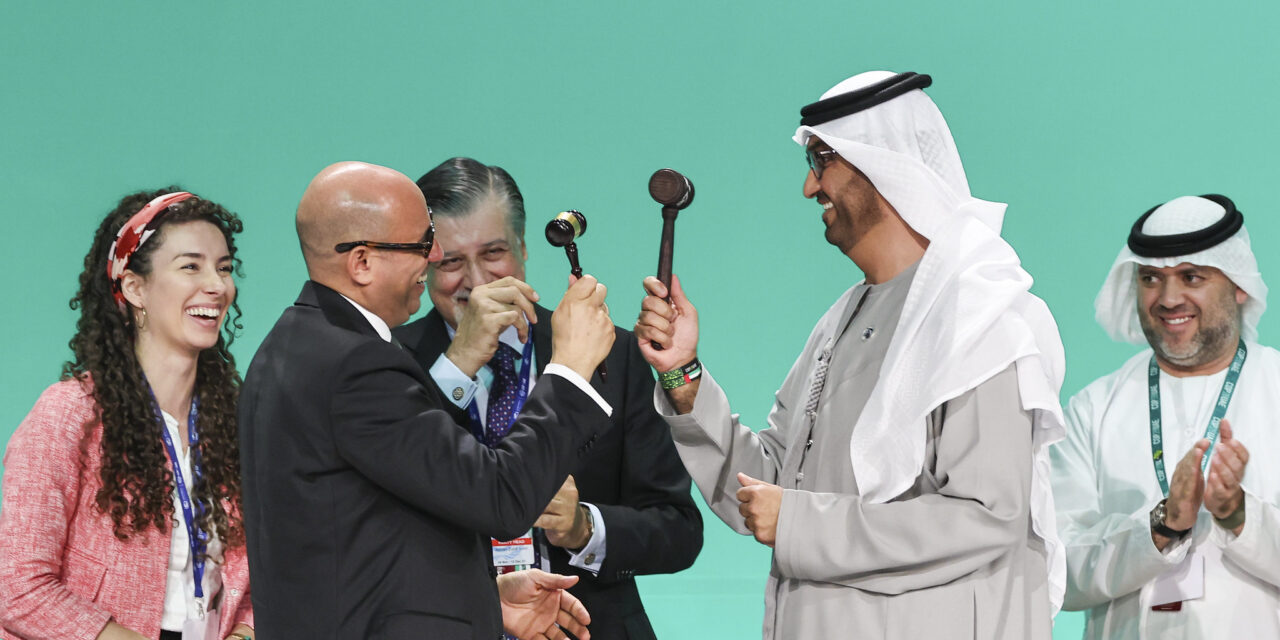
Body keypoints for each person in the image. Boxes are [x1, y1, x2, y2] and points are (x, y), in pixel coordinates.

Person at [634, 71, 1067, 639]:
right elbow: (772, 488)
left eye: (822, 161)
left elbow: (988, 516)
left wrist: (801, 524)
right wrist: (683, 378)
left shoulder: (978, 312)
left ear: (882, 164)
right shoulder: (840, 320)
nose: (810, 189)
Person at [238, 161, 617, 640]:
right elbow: (501, 498)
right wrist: (570, 368)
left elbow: (364, 537)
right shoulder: (354, 365)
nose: (435, 256)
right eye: (423, 243)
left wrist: (482, 598)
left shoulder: (294, 346)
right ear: (362, 262)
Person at [393, 157, 703, 639]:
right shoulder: (389, 362)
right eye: (450, 261)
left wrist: (585, 528)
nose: (476, 282)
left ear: (522, 248)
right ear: (422, 266)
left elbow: (679, 531)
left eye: (493, 252)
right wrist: (459, 361)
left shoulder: (612, 354)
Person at [0, 189, 254, 640]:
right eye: (191, 266)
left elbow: (260, 574)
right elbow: (17, 586)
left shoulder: (235, 420)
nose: (217, 285)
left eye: (225, 267)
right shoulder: (70, 415)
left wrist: (245, 634)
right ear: (135, 288)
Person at [1052, 194, 1280, 638]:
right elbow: (1056, 569)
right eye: (1151, 278)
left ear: (1238, 285)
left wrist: (1238, 515)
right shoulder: (1093, 409)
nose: (1169, 298)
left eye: (1191, 277)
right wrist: (1161, 526)